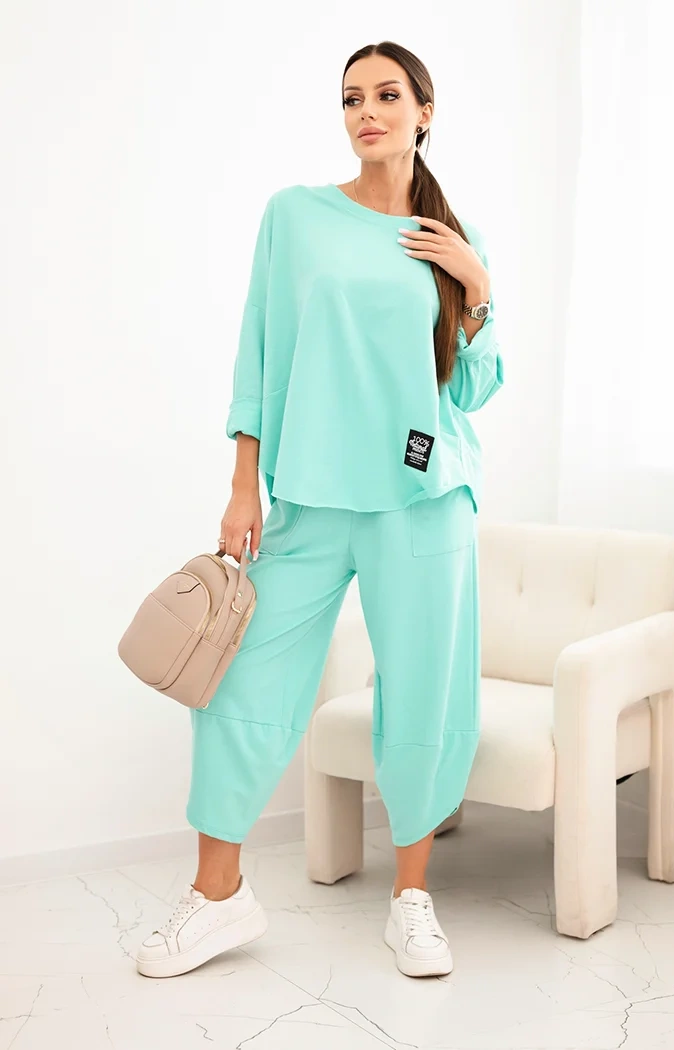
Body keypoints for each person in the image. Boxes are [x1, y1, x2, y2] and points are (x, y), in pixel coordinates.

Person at [136, 39, 504, 981]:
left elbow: (472, 390)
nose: (365, 112)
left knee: (421, 695)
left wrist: (477, 287)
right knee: (237, 682)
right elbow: (259, 348)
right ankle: (219, 895)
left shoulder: (450, 238)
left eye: (386, 95)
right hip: (308, 496)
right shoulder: (295, 217)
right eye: (351, 98)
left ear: (425, 112)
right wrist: (242, 482)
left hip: (423, 501)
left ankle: (411, 901)